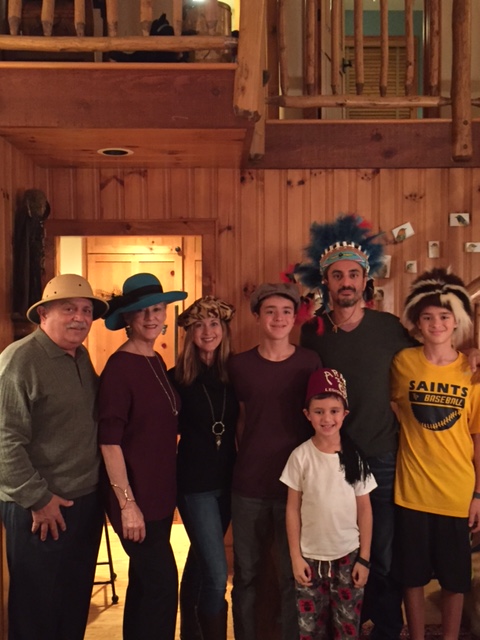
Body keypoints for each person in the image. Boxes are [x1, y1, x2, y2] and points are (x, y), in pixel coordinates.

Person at [293, 214, 480, 640]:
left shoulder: (390, 328)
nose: (346, 282)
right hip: (330, 460)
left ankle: (387, 629)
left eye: (353, 275)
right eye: (337, 274)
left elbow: (436, 354)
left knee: (383, 556)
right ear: (325, 281)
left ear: (365, 281)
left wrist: (471, 351)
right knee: (334, 552)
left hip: (382, 460)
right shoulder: (313, 333)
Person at [0, 273, 109, 640]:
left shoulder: (79, 357)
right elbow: (4, 440)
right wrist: (38, 499)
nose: (80, 318)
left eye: (86, 310)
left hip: (83, 502)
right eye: (69, 309)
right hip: (39, 508)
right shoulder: (20, 360)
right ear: (43, 313)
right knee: (35, 611)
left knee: (73, 604)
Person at [228, 282, 321, 640]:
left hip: (296, 490)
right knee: (246, 576)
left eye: (286, 311)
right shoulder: (239, 365)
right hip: (248, 485)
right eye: (270, 311)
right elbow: (237, 419)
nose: (279, 318)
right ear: (257, 317)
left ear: (295, 317)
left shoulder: (308, 362)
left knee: (291, 576)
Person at [391, 268, 480, 640]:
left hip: (457, 492)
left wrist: (478, 494)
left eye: (444, 316)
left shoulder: (471, 372)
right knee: (410, 574)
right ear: (417, 322)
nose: (436, 323)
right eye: (427, 317)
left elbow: (477, 437)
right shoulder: (402, 363)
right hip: (410, 490)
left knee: (455, 577)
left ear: (457, 321)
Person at [97, 272, 187, 640]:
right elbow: (109, 441)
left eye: (158, 308)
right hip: (134, 498)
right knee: (163, 584)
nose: (152, 317)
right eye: (142, 311)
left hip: (160, 495)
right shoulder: (120, 367)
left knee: (145, 586)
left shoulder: (155, 358)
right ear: (128, 320)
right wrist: (127, 503)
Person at [281, 367, 377, 639]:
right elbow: (292, 509)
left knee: (347, 630)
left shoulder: (355, 458)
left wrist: (365, 560)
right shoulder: (300, 457)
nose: (327, 418)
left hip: (348, 559)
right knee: (310, 631)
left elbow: (365, 509)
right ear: (307, 414)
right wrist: (295, 557)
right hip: (310, 560)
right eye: (319, 411)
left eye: (334, 411)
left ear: (345, 414)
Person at [170, 296, 239, 640]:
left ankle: (191, 634)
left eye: (214, 324)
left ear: (224, 330)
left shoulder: (235, 374)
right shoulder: (176, 379)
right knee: (216, 573)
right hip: (195, 486)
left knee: (199, 566)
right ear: (189, 333)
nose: (207, 331)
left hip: (228, 482)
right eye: (199, 325)